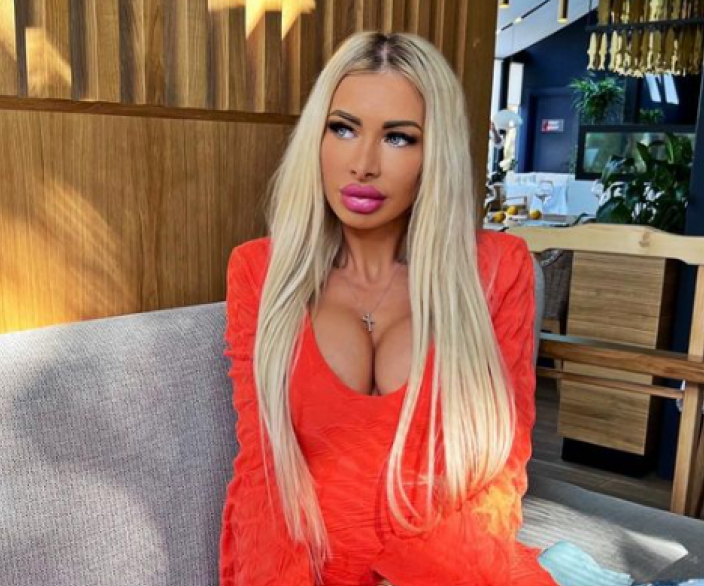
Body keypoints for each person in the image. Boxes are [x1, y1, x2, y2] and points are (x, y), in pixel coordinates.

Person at [219, 31, 557, 586]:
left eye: (399, 138)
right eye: (343, 128)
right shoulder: (260, 272)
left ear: (435, 155)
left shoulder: (495, 270)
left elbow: (500, 473)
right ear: (316, 136)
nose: (364, 164)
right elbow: (262, 473)